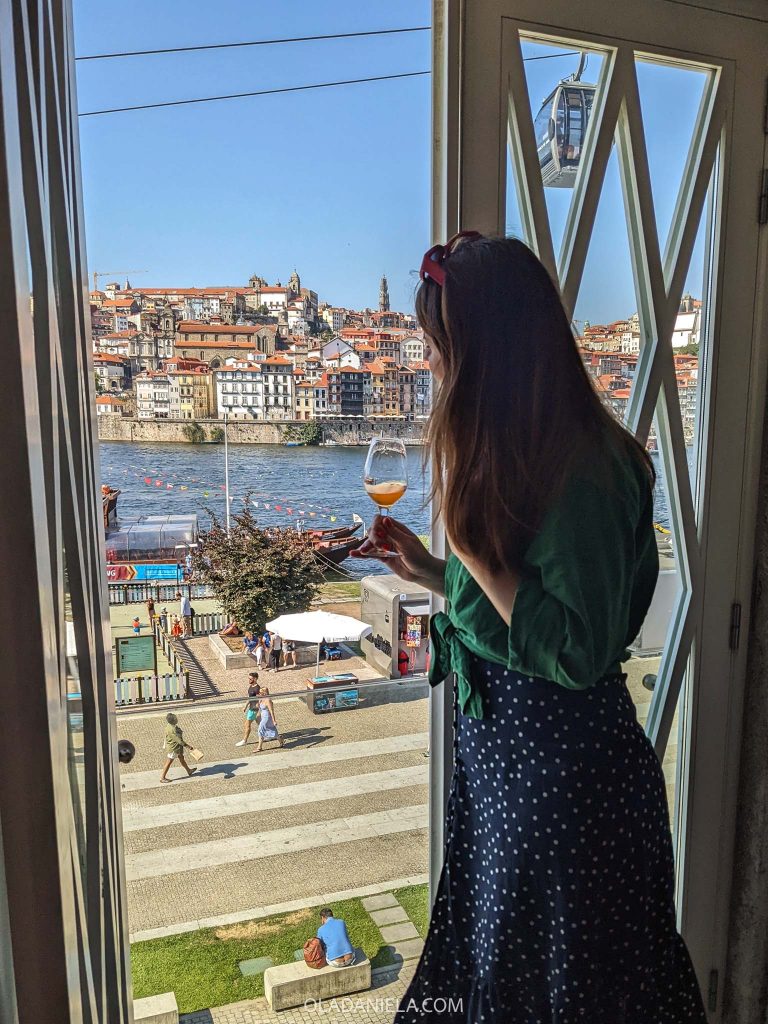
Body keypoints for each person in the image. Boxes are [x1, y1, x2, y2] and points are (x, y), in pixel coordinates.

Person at [352, 234, 706, 1022]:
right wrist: (435, 573)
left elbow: (574, 653)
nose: (434, 368)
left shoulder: (587, 467)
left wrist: (474, 555)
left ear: (488, 356)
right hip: (513, 780)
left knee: (559, 996)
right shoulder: (527, 450)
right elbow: (522, 617)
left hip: (564, 795)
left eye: (442, 349)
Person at [160, 712, 197, 782]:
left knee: (181, 758)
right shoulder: (172, 730)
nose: (176, 719)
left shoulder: (170, 726)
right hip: (174, 748)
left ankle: (189, 771)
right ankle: (162, 778)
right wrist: (188, 747)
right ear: (173, 720)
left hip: (177, 748)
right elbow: (179, 741)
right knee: (169, 762)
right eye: (175, 718)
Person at [236, 673, 261, 746]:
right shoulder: (251, 686)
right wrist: (245, 706)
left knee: (247, 724)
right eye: (248, 678)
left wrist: (258, 709)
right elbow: (249, 697)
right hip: (251, 708)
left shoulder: (257, 688)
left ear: (255, 679)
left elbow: (260, 699)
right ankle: (269, 735)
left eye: (250, 679)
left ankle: (244, 740)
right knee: (260, 723)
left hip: (254, 709)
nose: (249, 680)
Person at [256, 687, 284, 752]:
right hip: (263, 716)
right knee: (272, 729)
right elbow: (258, 707)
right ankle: (280, 740)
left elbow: (271, 710)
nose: (259, 693)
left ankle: (259, 747)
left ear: (264, 693)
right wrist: (258, 702)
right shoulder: (261, 699)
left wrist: (274, 720)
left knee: (260, 729)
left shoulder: (268, 700)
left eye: (260, 692)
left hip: (267, 717)